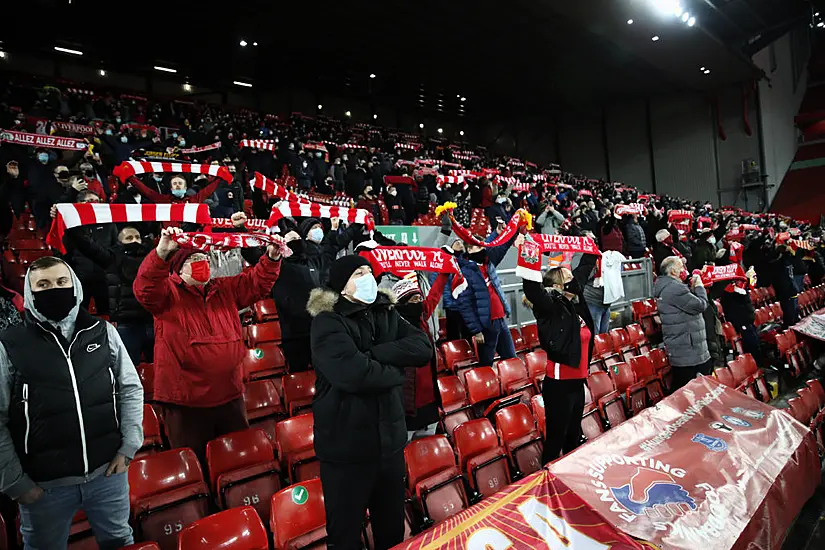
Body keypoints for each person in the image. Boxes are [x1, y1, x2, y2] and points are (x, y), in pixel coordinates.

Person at [0, 257, 143, 549]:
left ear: (74, 285)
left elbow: (130, 388)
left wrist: (128, 448)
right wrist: (16, 483)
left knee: (120, 541)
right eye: (43, 285)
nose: (54, 289)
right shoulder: (10, 343)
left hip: (108, 474)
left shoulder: (103, 332)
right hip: (44, 486)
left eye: (61, 282)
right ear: (30, 292)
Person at [307, 255, 432, 550]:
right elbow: (354, 375)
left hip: (389, 446)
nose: (367, 278)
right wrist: (398, 369)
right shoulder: (327, 321)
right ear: (342, 285)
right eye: (358, 273)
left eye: (369, 272)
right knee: (346, 535)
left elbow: (422, 347)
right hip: (346, 450)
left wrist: (374, 354)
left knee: (391, 531)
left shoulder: (385, 312)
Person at [133, 226, 283, 463]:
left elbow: (256, 283)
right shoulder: (167, 293)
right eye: (193, 258)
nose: (201, 262)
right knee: (196, 461)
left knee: (236, 459)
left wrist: (272, 257)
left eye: (204, 257)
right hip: (186, 401)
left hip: (229, 393)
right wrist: (161, 253)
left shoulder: (223, 288)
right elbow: (145, 287)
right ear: (179, 267)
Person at [521, 265, 594, 463]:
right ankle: (548, 484)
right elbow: (533, 290)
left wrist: (589, 247)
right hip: (560, 384)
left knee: (573, 436)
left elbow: (582, 274)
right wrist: (528, 258)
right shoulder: (550, 308)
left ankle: (571, 479)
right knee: (556, 440)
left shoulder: (576, 306)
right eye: (568, 278)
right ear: (557, 285)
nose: (573, 282)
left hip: (578, 382)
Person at [393, 273, 449, 440]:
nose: (418, 303)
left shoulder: (422, 316)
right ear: (401, 303)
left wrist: (444, 272)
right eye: (413, 300)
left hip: (429, 401)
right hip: (407, 403)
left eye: (419, 298)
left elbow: (435, 294)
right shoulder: (392, 324)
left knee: (429, 444)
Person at [456, 230, 520, 368]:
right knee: (486, 363)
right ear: (468, 250)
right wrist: (476, 330)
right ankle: (485, 388)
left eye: (481, 245)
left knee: (511, 358)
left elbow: (503, 246)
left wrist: (515, 230)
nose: (481, 249)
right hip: (485, 324)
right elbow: (465, 304)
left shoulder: (488, 263)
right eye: (476, 246)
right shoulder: (464, 272)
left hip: (500, 319)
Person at [653, 256, 711, 390]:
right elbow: (701, 305)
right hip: (688, 353)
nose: (685, 270)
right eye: (681, 267)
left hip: (687, 349)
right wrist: (699, 287)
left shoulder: (671, 287)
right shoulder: (675, 289)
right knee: (687, 392)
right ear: (673, 271)